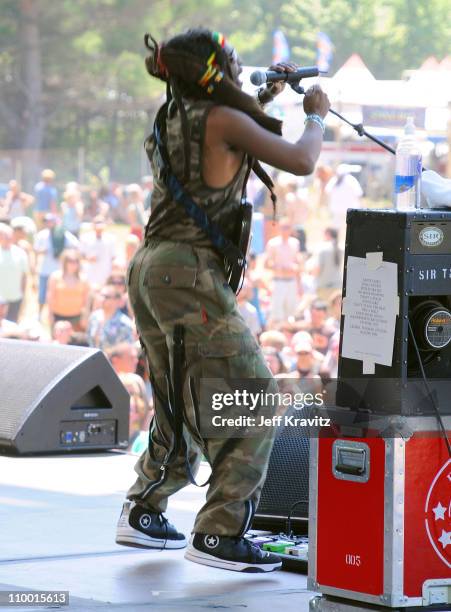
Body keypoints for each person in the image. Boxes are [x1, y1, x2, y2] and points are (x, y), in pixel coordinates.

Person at [116, 28, 329, 572]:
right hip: (188, 276)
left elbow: (224, 134)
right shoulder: (223, 120)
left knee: (174, 393)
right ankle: (219, 531)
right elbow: (300, 160)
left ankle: (144, 508)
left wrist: (265, 97)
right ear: (210, 70)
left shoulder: (173, 117)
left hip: (150, 268)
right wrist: (317, 116)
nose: (238, 66)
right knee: (256, 394)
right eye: (230, 60)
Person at [33, 214, 80, 317]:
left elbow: (76, 245)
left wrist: (64, 253)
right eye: (46, 221)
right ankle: (40, 315)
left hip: (59, 270)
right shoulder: (42, 235)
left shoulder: (64, 233)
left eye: (50, 221)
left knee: (57, 295)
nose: (48, 223)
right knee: (42, 294)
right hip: (45, 270)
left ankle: (55, 313)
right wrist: (41, 253)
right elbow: (36, 250)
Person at [264, 217, 302, 325]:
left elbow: (298, 263)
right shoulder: (273, 243)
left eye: (287, 227)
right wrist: (279, 268)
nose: (285, 230)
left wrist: (299, 283)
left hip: (291, 281)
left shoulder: (295, 243)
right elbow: (266, 264)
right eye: (283, 227)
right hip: (278, 281)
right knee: (277, 314)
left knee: (290, 314)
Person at [46, 249, 90, 329]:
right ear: (64, 262)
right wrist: (50, 314)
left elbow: (86, 300)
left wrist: (85, 316)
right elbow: (50, 296)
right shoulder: (55, 277)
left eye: (76, 261)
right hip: (58, 316)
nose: (73, 264)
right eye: (70, 261)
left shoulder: (84, 279)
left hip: (77, 317)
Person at [87, 284, 134, 350]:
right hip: (94, 358)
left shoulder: (124, 323)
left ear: (116, 300)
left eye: (106, 297)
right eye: (101, 295)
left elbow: (128, 348)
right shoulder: (94, 317)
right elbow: (90, 340)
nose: (102, 299)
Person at [0, 223, 28, 322]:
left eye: (9, 236)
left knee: (11, 324)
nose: (7, 238)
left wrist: (23, 295)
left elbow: (24, 276)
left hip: (15, 297)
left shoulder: (20, 253)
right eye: (4, 236)